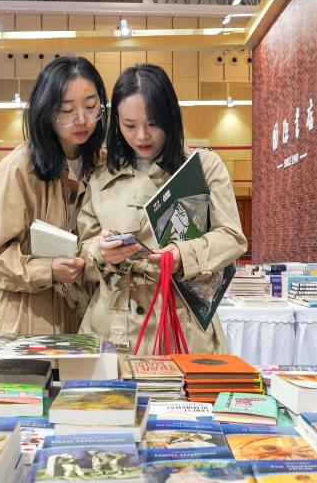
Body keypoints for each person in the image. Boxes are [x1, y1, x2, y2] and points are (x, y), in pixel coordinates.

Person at [77, 64, 246, 353]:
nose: (142, 136)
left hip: (181, 325)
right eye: (130, 125)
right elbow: (81, 254)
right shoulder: (100, 177)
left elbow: (232, 237)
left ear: (170, 117)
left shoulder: (203, 167)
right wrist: (101, 252)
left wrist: (184, 255)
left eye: (153, 123)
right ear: (116, 123)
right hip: (115, 328)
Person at [0, 55, 106, 334]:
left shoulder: (102, 164)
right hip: (25, 323)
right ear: (46, 110)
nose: (82, 119)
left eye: (91, 107)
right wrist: (48, 270)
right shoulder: (19, 168)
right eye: (67, 110)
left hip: (83, 321)